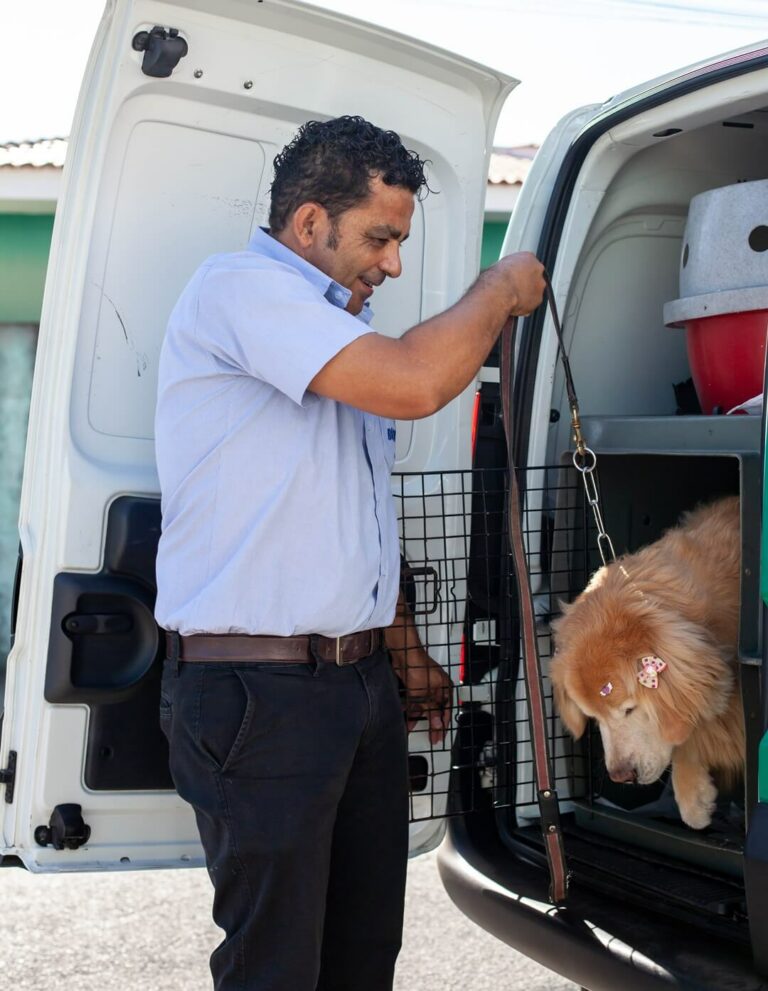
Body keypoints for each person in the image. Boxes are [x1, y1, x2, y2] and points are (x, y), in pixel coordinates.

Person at [155, 115, 545, 991]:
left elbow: (352, 519)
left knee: (362, 959)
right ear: (308, 226)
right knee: (278, 971)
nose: (393, 263)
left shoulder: (340, 336)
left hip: (354, 688)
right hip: (262, 695)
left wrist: (400, 652)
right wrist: (497, 288)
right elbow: (415, 383)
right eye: (380, 236)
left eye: (400, 240)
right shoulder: (241, 290)